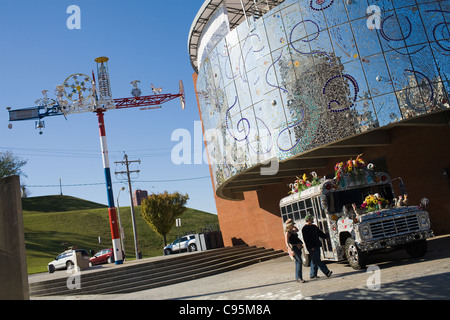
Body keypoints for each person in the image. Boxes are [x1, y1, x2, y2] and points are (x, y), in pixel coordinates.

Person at [302, 214, 333, 279]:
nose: (313, 219)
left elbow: (319, 233)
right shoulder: (305, 229)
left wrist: (325, 237)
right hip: (312, 247)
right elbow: (306, 240)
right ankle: (327, 272)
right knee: (317, 260)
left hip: (317, 245)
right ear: (308, 220)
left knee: (314, 260)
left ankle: (313, 275)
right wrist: (310, 247)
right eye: (311, 218)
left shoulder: (314, 226)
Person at [284, 219, 306, 283]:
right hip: (294, 248)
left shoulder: (293, 231)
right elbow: (287, 242)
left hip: (298, 247)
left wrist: (294, 226)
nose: (293, 225)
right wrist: (291, 250)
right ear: (289, 225)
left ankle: (298, 277)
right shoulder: (287, 233)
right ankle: (299, 277)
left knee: (297, 262)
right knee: (299, 261)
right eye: (292, 224)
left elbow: (297, 230)